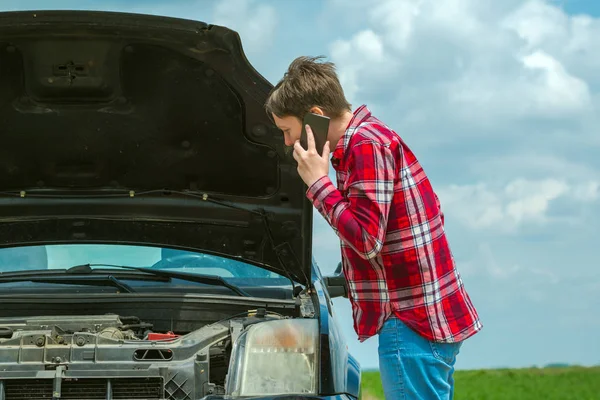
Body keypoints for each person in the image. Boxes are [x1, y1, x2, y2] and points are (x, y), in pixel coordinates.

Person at [265, 56, 482, 400]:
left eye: (287, 130)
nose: (288, 143)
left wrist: (319, 183)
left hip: (410, 323)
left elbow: (366, 240)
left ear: (315, 117)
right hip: (421, 319)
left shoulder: (366, 145)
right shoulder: (369, 139)